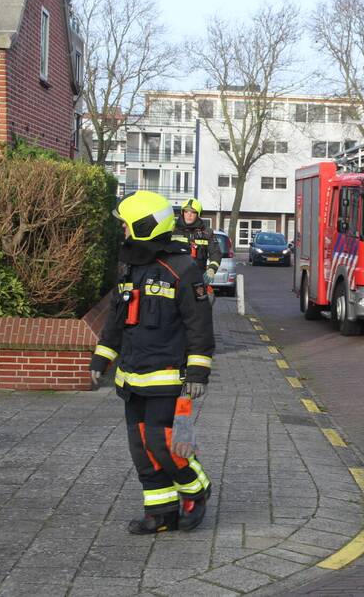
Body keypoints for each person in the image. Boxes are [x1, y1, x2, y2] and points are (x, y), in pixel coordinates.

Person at [89, 190, 215, 534]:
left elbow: (199, 324)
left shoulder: (184, 270)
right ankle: (161, 513)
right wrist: (102, 358)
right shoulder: (130, 268)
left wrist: (199, 373)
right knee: (141, 449)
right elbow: (116, 318)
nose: (124, 233)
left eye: (128, 226)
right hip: (131, 378)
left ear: (144, 226)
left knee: (161, 442)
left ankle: (196, 489)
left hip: (167, 377)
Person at [174, 198, 222, 286]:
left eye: (193, 212)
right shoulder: (172, 231)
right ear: (182, 213)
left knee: (203, 299)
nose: (189, 215)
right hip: (176, 277)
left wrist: (212, 269)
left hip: (198, 279)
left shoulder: (207, 233)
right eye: (186, 212)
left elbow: (215, 253)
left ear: (198, 215)